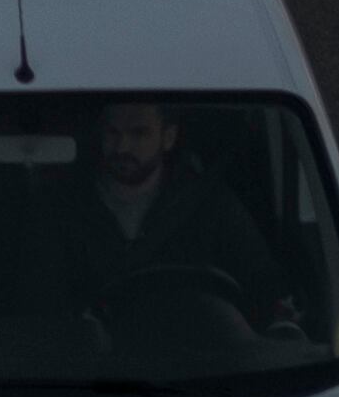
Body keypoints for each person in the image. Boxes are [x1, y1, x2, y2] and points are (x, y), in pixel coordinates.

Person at [58, 98, 300, 331]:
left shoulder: (211, 207)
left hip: (200, 363)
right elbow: (37, 306)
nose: (122, 147)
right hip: (91, 367)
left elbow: (267, 288)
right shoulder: (64, 208)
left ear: (168, 137)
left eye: (138, 133)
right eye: (112, 133)